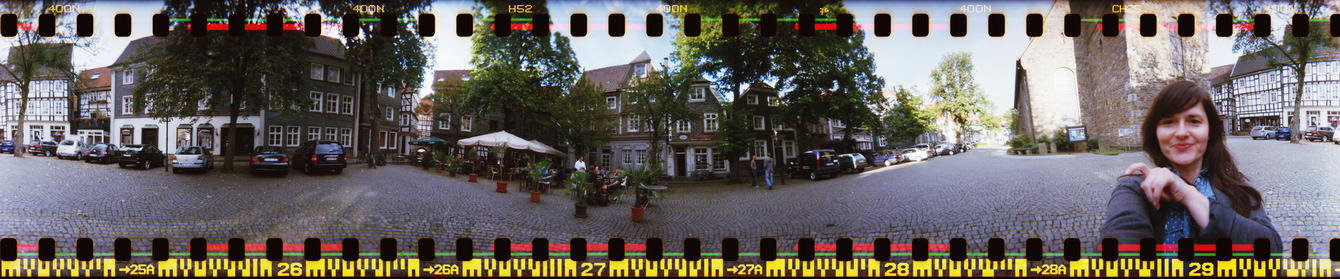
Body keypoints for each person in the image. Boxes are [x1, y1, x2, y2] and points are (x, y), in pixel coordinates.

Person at [1101, 81, 1281, 260]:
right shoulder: (1134, 189)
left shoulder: (1236, 188)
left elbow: (1272, 253)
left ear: (1209, 131)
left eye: (1194, 121)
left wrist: (1189, 195)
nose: (1181, 132)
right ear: (1156, 133)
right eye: (1169, 122)